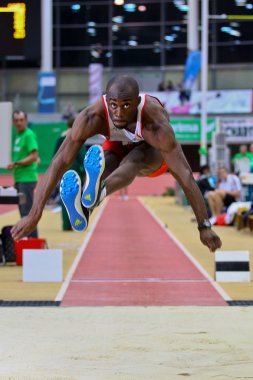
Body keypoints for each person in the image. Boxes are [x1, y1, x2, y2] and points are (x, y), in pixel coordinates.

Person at [11, 75, 222, 252]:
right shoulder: (92, 116)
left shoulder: (155, 124)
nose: (119, 112)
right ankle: (88, 201)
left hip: (152, 154)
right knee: (107, 159)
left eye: (126, 105)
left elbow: (185, 175)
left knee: (134, 159)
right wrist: (34, 214)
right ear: (106, 100)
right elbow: (59, 162)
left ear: (137, 103)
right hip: (117, 145)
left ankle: (96, 194)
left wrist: (204, 225)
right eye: (114, 105)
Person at [7, 110, 39, 238]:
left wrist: (16, 163)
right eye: (16, 120)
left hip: (27, 179)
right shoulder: (18, 137)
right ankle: (28, 242)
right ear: (13, 122)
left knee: (27, 214)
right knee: (23, 213)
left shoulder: (28, 135)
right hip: (20, 178)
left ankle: (33, 243)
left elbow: (34, 156)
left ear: (25, 121)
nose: (19, 123)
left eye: (21, 120)